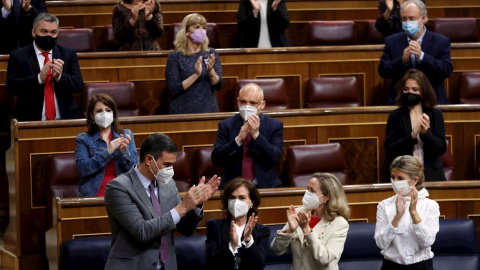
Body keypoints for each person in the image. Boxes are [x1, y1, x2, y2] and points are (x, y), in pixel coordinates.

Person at [104, 132, 221, 270]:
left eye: (172, 165)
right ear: (149, 159)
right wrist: (183, 207)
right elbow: (142, 231)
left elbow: (186, 229)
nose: (170, 170)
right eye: (167, 164)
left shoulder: (168, 184)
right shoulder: (118, 187)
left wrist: (196, 204)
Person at [6, 12, 83, 121]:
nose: (49, 36)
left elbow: (78, 85)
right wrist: (38, 78)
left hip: (65, 120)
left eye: (53, 32)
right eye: (44, 31)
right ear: (33, 32)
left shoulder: (68, 54)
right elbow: (11, 87)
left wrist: (60, 77)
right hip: (31, 120)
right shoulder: (18, 56)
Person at [378, 0, 452, 105]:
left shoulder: (441, 41)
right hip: (400, 102)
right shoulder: (392, 41)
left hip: (432, 102)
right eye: (404, 19)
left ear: (422, 18)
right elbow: (382, 71)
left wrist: (422, 57)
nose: (407, 22)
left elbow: (446, 70)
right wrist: (401, 60)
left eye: (412, 19)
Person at [270, 173, 350, 270]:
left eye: (312, 191)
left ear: (327, 196)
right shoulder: (299, 212)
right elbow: (276, 250)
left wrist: (307, 230)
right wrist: (290, 230)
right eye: (307, 189)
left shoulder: (339, 224)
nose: (307, 193)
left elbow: (325, 258)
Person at [211, 83, 283, 188]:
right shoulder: (226, 125)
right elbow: (217, 159)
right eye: (243, 102)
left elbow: (275, 157)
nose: (247, 107)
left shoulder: (274, 125)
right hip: (233, 187)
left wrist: (257, 136)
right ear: (237, 102)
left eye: (253, 103)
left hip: (265, 186)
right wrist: (238, 140)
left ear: (262, 105)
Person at [375, 155, 440, 270]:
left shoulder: (431, 206)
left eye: (400, 178)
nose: (395, 182)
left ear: (414, 180)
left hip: (421, 266)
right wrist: (397, 217)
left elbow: (427, 242)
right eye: (393, 177)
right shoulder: (384, 205)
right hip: (391, 266)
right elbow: (381, 244)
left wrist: (413, 213)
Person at [385, 69, 446, 181]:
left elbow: (441, 148)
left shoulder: (435, 114)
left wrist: (426, 133)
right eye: (406, 89)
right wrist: (412, 136)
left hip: (432, 175)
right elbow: (390, 150)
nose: (410, 93)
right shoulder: (396, 116)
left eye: (415, 89)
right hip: (404, 176)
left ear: (423, 92)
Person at [75, 94, 138, 197]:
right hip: (94, 192)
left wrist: (123, 152)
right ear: (92, 115)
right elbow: (83, 169)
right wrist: (107, 152)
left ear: (113, 113)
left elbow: (134, 170)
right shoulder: (83, 139)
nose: (104, 114)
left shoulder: (126, 135)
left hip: (122, 192)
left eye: (108, 110)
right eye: (99, 111)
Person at [206, 178, 270, 270]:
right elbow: (211, 263)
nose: (236, 202)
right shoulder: (214, 226)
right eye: (232, 197)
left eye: (242, 198)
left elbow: (260, 265)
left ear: (251, 202)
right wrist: (231, 246)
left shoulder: (261, 231)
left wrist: (248, 240)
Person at [165, 13, 223, 114]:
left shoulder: (211, 53)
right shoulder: (175, 56)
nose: (201, 30)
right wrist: (196, 75)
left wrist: (210, 71)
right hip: (183, 111)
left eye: (204, 27)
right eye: (197, 27)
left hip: (208, 110)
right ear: (186, 32)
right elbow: (174, 89)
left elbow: (218, 85)